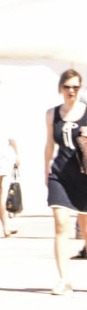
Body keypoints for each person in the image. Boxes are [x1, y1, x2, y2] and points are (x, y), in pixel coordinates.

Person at [44, 69, 87, 294]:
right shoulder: (51, 114)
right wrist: (46, 169)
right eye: (67, 87)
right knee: (61, 224)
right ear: (61, 89)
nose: (71, 91)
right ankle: (64, 279)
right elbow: (49, 144)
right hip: (60, 175)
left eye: (75, 87)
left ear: (80, 88)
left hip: (83, 176)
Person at [0, 80, 20, 238]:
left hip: (2, 157)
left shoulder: (4, 110)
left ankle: (6, 226)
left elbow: (11, 136)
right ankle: (6, 226)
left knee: (1, 191)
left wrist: (17, 154)